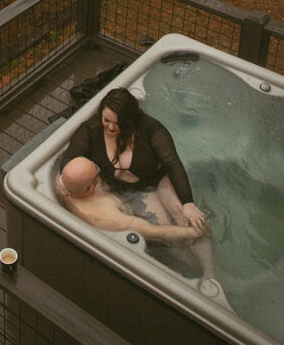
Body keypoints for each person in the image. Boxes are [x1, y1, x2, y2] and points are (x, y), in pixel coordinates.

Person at [59, 87, 209, 235]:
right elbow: (70, 156)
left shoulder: (151, 129)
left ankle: (207, 259)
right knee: (164, 228)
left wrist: (188, 202)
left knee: (187, 219)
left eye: (117, 123)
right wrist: (65, 179)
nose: (110, 127)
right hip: (124, 192)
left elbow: (172, 163)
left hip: (157, 181)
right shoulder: (91, 129)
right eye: (106, 120)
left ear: (129, 120)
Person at [57, 157, 207, 244]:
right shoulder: (105, 216)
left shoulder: (64, 184)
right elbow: (152, 231)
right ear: (89, 189)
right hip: (138, 214)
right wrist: (192, 232)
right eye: (96, 170)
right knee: (177, 210)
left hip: (127, 200)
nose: (99, 170)